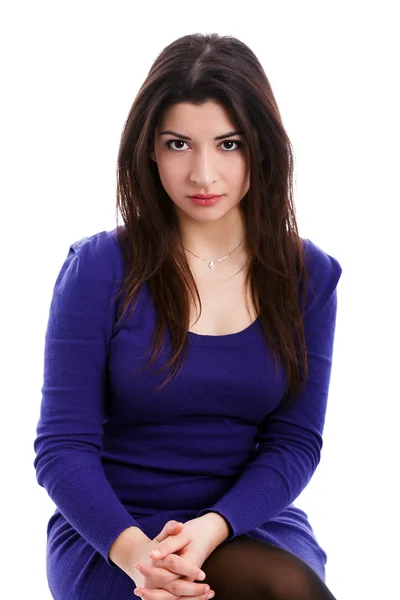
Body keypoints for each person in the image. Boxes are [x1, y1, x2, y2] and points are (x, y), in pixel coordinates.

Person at [33, 32, 342, 600]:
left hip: (245, 520)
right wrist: (138, 557)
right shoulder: (99, 268)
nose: (203, 174)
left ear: (263, 149)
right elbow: (62, 447)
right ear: (149, 149)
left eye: (228, 145)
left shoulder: (308, 277)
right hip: (111, 530)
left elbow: (294, 442)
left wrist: (212, 527)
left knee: (285, 588)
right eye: (179, 144)